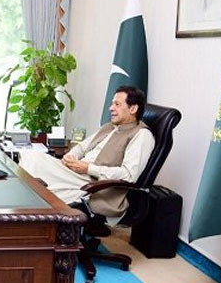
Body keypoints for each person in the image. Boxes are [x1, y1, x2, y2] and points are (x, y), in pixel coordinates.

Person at [18, 86, 155, 226]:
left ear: (133, 109)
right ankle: (26, 218)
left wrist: (88, 168)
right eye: (112, 104)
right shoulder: (109, 126)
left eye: (117, 104)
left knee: (36, 176)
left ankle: (24, 221)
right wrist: (70, 157)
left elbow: (129, 175)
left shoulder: (142, 135)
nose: (111, 108)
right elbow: (82, 147)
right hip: (76, 171)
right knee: (29, 156)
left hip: (93, 183)